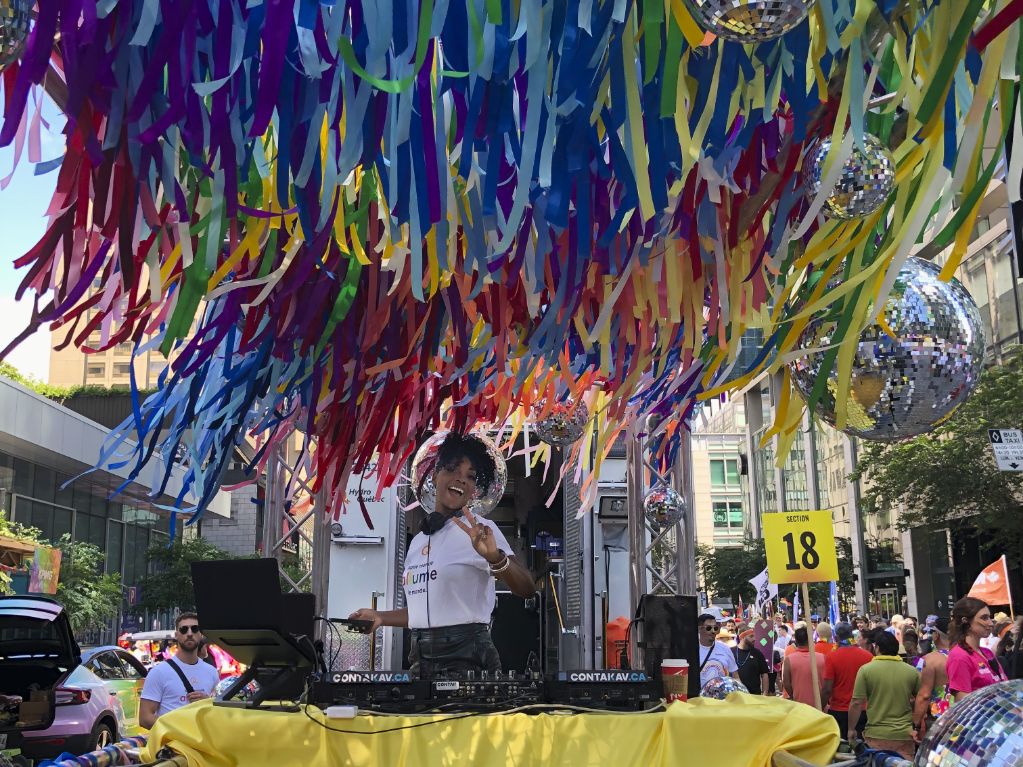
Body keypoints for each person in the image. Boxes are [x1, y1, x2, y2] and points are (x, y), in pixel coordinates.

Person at [349, 433, 535, 677]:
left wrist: (495, 557)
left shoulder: (481, 531)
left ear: (473, 489)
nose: (461, 479)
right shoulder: (419, 541)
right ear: (435, 475)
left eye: (470, 476)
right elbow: (426, 613)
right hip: (420, 660)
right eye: (452, 469)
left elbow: (527, 588)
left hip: (469, 659)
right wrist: (380, 617)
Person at [847, 630, 920, 760]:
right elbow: (920, 699)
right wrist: (916, 724)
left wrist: (851, 729)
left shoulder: (866, 670)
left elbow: (857, 702)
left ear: (877, 648)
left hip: (876, 734)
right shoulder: (911, 672)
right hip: (904, 735)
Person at [139, 613, 220, 729]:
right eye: (184, 629)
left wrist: (207, 702)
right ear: (176, 635)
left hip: (202, 739)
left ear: (201, 634)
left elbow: (217, 713)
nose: (189, 633)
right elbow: (145, 718)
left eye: (195, 629)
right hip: (172, 739)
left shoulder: (211, 672)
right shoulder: (159, 672)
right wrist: (179, 730)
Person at [946, 596, 1007, 701]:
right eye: (984, 618)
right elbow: (963, 703)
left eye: (989, 617)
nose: (991, 623)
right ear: (966, 621)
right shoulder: (959, 656)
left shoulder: (988, 653)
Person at [822, 622, 873, 740]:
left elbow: (827, 689)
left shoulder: (831, 657)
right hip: (863, 710)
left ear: (836, 637)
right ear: (852, 635)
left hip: (839, 711)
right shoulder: (868, 656)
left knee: (843, 748)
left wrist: (820, 707)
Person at [913, 616, 952, 739]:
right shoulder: (968, 656)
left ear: (936, 635)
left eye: (931, 632)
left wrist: (916, 725)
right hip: (964, 714)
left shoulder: (929, 660)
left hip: (938, 718)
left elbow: (924, 695)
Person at [782, 626, 826, 709]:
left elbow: (786, 683)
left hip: (799, 705)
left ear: (796, 640)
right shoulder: (822, 658)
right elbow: (827, 683)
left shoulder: (789, 659)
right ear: (810, 639)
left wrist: (793, 695)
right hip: (819, 706)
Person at [697, 613, 739, 688]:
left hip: (722, 695)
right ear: (699, 629)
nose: (713, 631)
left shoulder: (725, 648)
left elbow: (735, 676)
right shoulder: (691, 649)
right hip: (697, 695)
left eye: (715, 628)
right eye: (708, 628)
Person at [732, 625, 770, 695]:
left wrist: (765, 694)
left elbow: (764, 674)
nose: (754, 639)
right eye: (751, 636)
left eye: (754, 636)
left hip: (754, 695)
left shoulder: (757, 653)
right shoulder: (731, 652)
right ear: (742, 637)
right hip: (735, 696)